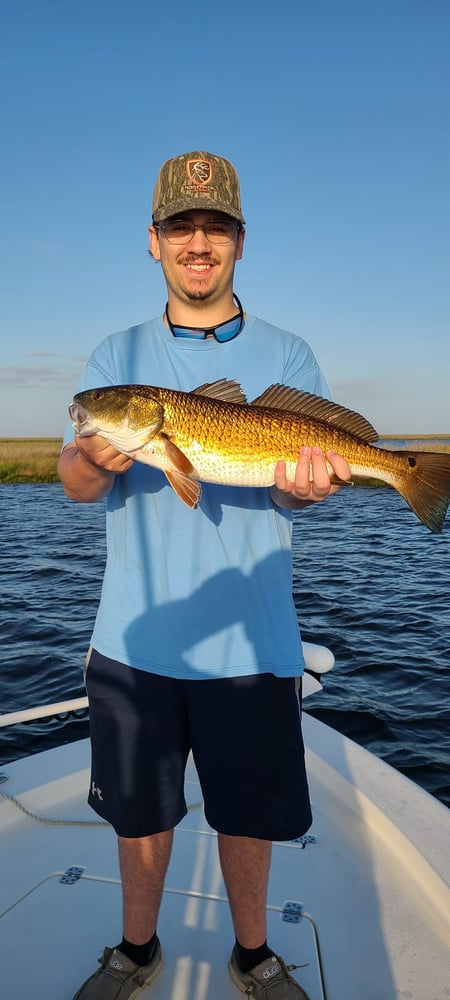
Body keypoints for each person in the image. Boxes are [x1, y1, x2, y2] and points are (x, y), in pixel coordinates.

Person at [58, 150, 351, 1000]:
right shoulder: (117, 355)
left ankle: (253, 955)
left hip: (254, 643)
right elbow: (77, 483)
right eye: (181, 227)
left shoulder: (288, 355)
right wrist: (95, 455)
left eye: (214, 228)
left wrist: (311, 487)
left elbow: (298, 498)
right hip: (135, 641)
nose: (198, 242)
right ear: (153, 242)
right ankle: (137, 948)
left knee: (250, 815)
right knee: (140, 816)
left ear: (238, 243)